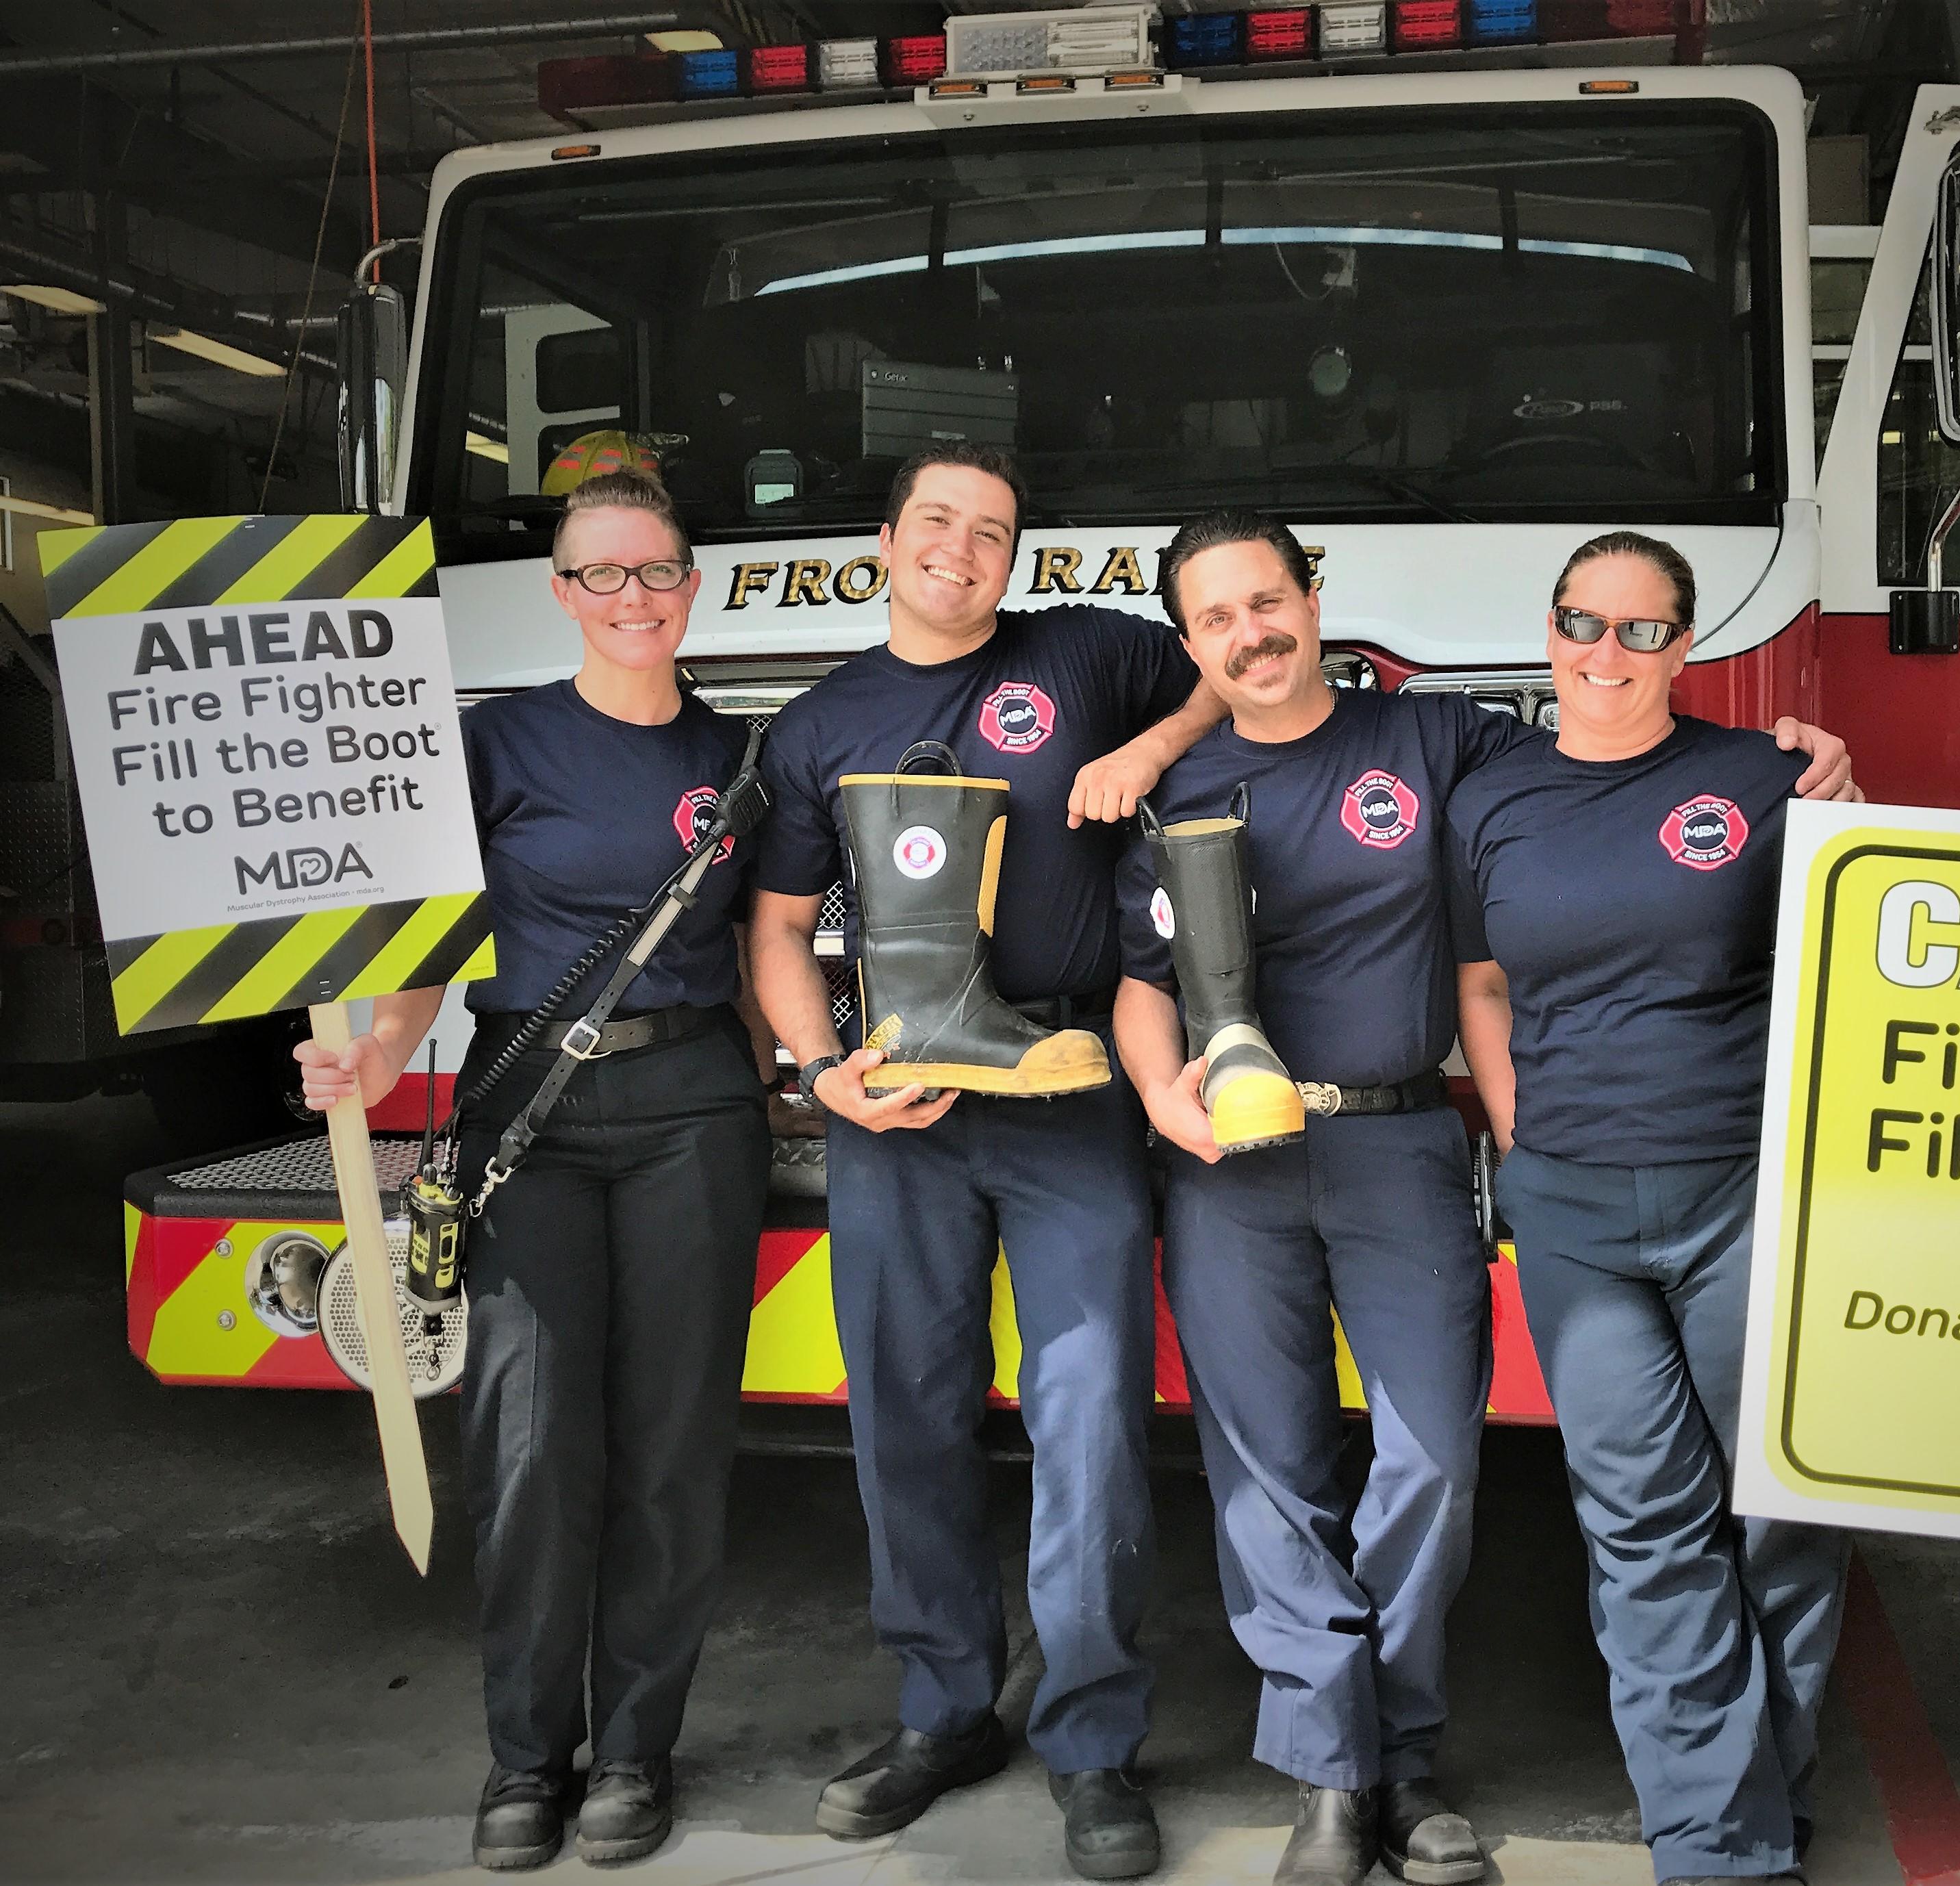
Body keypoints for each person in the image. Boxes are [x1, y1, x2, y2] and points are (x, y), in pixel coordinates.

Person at [1112, 512, 1857, 1886]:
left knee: (1437, 1464)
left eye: (1267, 600)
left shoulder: (1445, 746)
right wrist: (1169, 1101)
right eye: (1215, 620)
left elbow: (1621, 784)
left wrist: (1819, 771)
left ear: (1311, 597)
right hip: (1249, 1164)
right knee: (1273, 1479)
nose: (1251, 632)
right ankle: (1337, 1779)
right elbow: (1146, 982)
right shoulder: (1176, 788)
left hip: (1404, 1142)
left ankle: (1402, 1751)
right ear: (1191, 644)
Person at [1449, 530, 1960, 1884]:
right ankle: (1716, 1845)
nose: (1605, 653)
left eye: (1642, 628)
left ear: (1688, 643)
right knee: (1643, 1529)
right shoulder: (1491, 801)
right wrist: (1517, 1122)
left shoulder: (1766, 775)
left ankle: (1765, 1798)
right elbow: (1484, 982)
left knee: (1786, 1507)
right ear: (1549, 630)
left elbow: (1924, 915)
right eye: (1582, 622)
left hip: (1750, 1193)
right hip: (1572, 1217)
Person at [748, 443, 1227, 1882]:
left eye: (994, 532)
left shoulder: (1083, 655)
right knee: (904, 1414)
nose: (964, 549)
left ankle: (1092, 1741)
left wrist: (1149, 746)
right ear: (884, 539)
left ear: (1015, 559)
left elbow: (1228, 678)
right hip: (897, 1109)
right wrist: (822, 1070)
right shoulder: (819, 725)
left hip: (1069, 1091)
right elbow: (774, 930)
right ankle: (946, 1709)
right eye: (939, 523)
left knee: (1086, 1428)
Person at [297, 470, 778, 1872]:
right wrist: (383, 1057)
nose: (634, 597)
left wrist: (810, 1082)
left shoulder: (744, 763)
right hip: (528, 1112)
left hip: (697, 1103)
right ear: (563, 594)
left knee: (673, 1449)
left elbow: (764, 947)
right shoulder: (496, 748)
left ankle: (634, 1752)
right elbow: (425, 943)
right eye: (603, 575)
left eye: (657, 571)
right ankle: (527, 1755)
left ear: (695, 586)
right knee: (529, 1443)